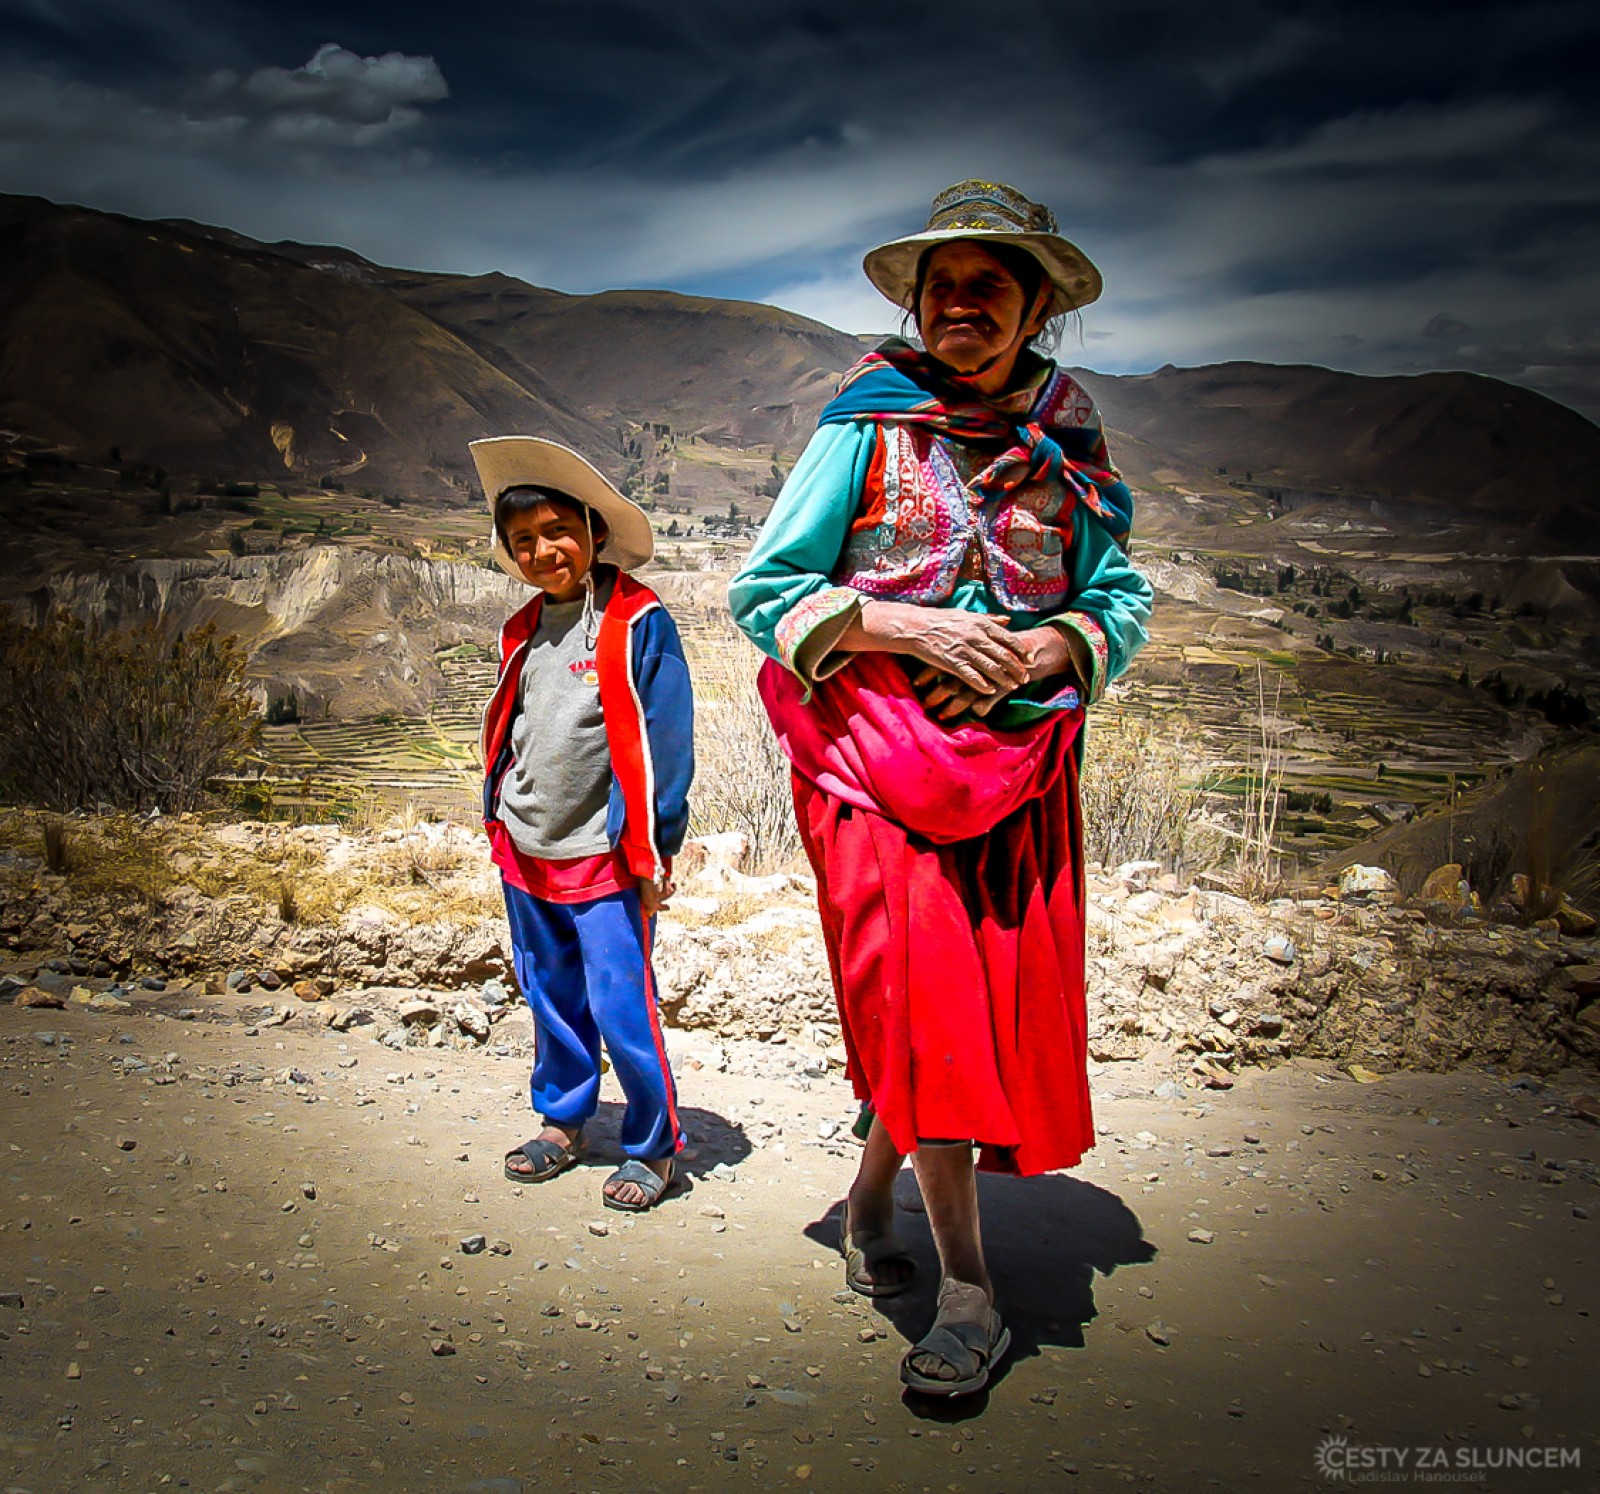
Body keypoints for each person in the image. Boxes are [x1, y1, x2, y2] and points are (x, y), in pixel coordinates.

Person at [729, 180, 1152, 1394]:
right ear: (917, 305)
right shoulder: (864, 424)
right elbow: (767, 591)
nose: (962, 304)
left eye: (991, 286)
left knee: (958, 1007)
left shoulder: (1068, 438)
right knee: (926, 996)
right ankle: (970, 1288)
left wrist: (1048, 646)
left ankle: (870, 1209)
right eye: (943, 287)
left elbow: (1114, 591)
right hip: (870, 752)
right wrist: (913, 632)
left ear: (1035, 313)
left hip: (1016, 762)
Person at [474, 436, 694, 1212]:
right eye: (524, 540)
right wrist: (497, 813)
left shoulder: (638, 622)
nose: (543, 550)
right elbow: (515, 728)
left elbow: (665, 740)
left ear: (595, 532)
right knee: (550, 994)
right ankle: (563, 1122)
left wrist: (656, 844)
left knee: (620, 1000)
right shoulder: (522, 629)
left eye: (557, 531)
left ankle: (653, 1143)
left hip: (604, 855)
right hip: (526, 845)